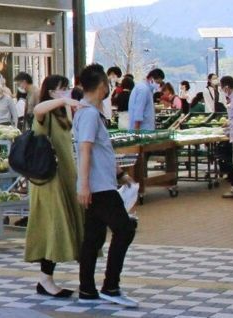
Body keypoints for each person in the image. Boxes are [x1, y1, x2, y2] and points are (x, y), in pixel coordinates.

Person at [74, 64, 138, 307]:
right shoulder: (89, 113)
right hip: (98, 187)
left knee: (94, 236)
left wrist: (120, 173)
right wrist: (84, 185)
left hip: (99, 183)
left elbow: (99, 151)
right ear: (102, 85)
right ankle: (110, 286)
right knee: (124, 229)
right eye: (107, 85)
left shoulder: (86, 112)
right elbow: (85, 149)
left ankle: (87, 289)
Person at [24, 75, 84, 298]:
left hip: (67, 176)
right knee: (53, 227)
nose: (66, 92)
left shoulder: (64, 114)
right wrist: (63, 101)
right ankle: (45, 279)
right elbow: (38, 108)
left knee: (66, 226)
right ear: (50, 92)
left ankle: (48, 279)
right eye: (61, 89)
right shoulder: (45, 112)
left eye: (67, 89)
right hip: (49, 180)